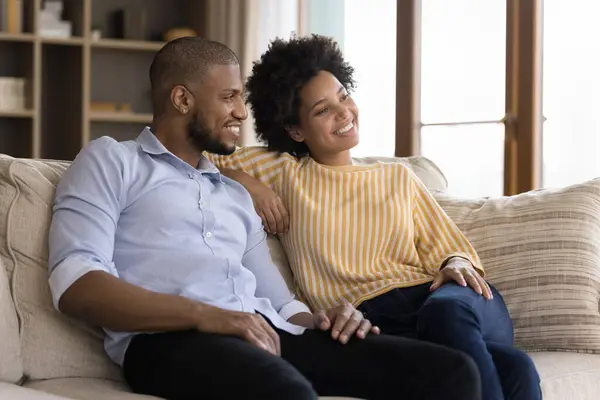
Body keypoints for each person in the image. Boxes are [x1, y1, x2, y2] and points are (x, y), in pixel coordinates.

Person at [47, 36, 483, 400]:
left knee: (452, 372)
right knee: (287, 393)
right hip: (167, 343)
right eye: (228, 97)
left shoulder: (235, 193)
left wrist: (324, 319)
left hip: (265, 331)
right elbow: (75, 284)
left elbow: (281, 305)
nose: (241, 111)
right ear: (181, 98)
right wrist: (205, 315)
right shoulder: (113, 161)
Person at [205, 34, 542, 400]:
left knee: (444, 315)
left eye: (344, 96)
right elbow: (197, 158)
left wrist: (456, 261)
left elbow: (451, 250)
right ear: (295, 130)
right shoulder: (285, 174)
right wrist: (247, 184)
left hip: (447, 302)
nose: (343, 112)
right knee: (516, 368)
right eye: (323, 110)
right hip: (379, 323)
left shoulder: (396, 176)